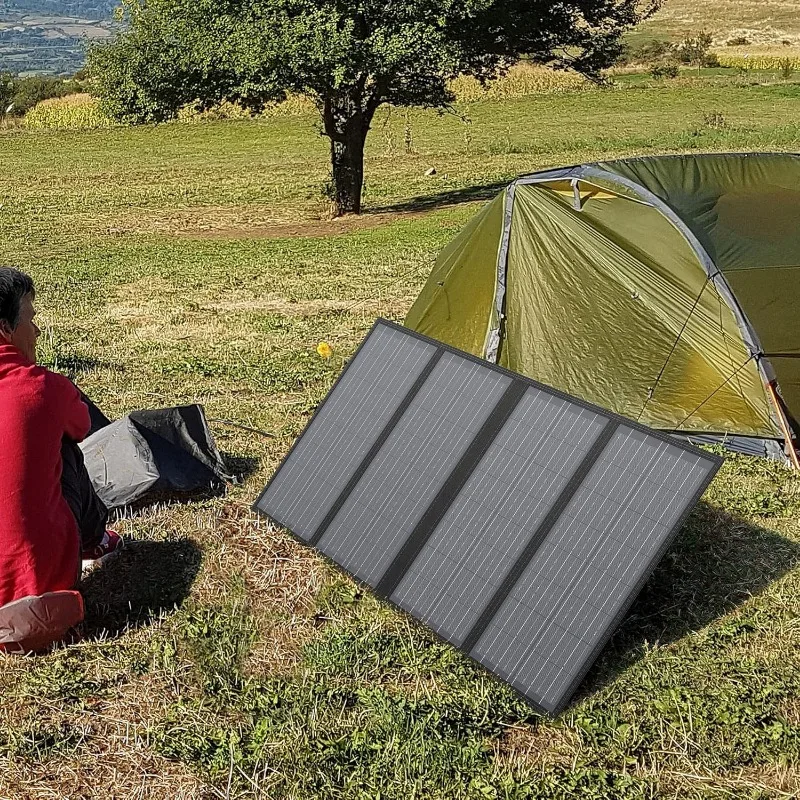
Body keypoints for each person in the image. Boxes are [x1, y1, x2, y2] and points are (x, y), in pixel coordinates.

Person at [0, 268, 122, 652]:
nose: (35, 332)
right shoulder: (43, 388)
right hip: (37, 606)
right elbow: (83, 425)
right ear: (5, 327)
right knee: (64, 445)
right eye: (30, 319)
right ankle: (95, 541)